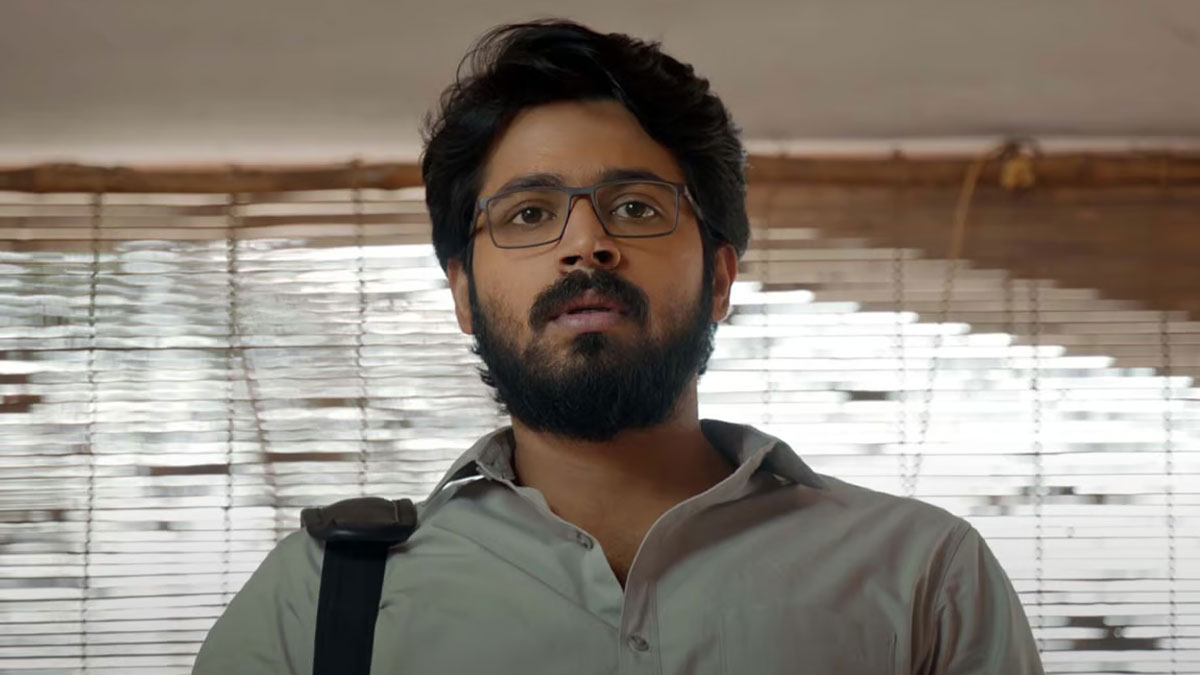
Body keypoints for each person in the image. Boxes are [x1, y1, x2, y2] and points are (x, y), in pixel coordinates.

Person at [193, 19, 1044, 674]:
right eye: (529, 213)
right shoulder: (318, 595)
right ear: (463, 294)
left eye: (635, 207)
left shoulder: (926, 575)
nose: (585, 246)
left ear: (719, 278)